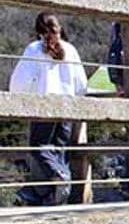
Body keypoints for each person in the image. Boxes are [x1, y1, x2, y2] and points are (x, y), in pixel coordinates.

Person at [7, 12, 91, 206]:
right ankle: (54, 198)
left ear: (37, 30)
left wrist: (25, 99)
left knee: (38, 149)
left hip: (43, 108)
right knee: (58, 152)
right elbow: (81, 85)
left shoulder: (34, 49)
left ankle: (60, 177)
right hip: (67, 109)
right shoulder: (70, 49)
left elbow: (19, 83)